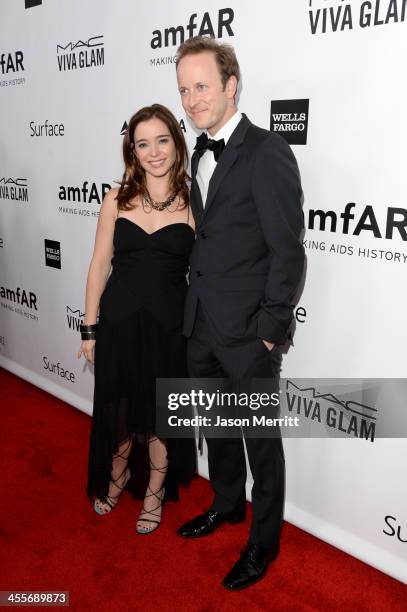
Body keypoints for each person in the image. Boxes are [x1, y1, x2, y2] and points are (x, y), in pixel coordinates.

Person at [175, 37, 305, 589]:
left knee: (260, 444)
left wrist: (271, 332)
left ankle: (263, 544)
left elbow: (288, 248)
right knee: (219, 432)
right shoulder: (197, 152)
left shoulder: (267, 150)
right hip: (201, 324)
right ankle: (226, 505)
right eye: (183, 89)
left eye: (201, 86)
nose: (191, 99)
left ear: (231, 85)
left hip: (250, 334)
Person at [79, 104, 196, 534]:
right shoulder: (116, 199)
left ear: (176, 142)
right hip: (120, 324)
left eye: (162, 140)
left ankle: (155, 493)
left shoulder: (193, 200)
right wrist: (89, 329)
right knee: (121, 412)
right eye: (142, 143)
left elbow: (208, 271)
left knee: (164, 418)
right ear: (132, 149)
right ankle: (118, 477)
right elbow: (97, 266)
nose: (153, 152)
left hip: (170, 329)